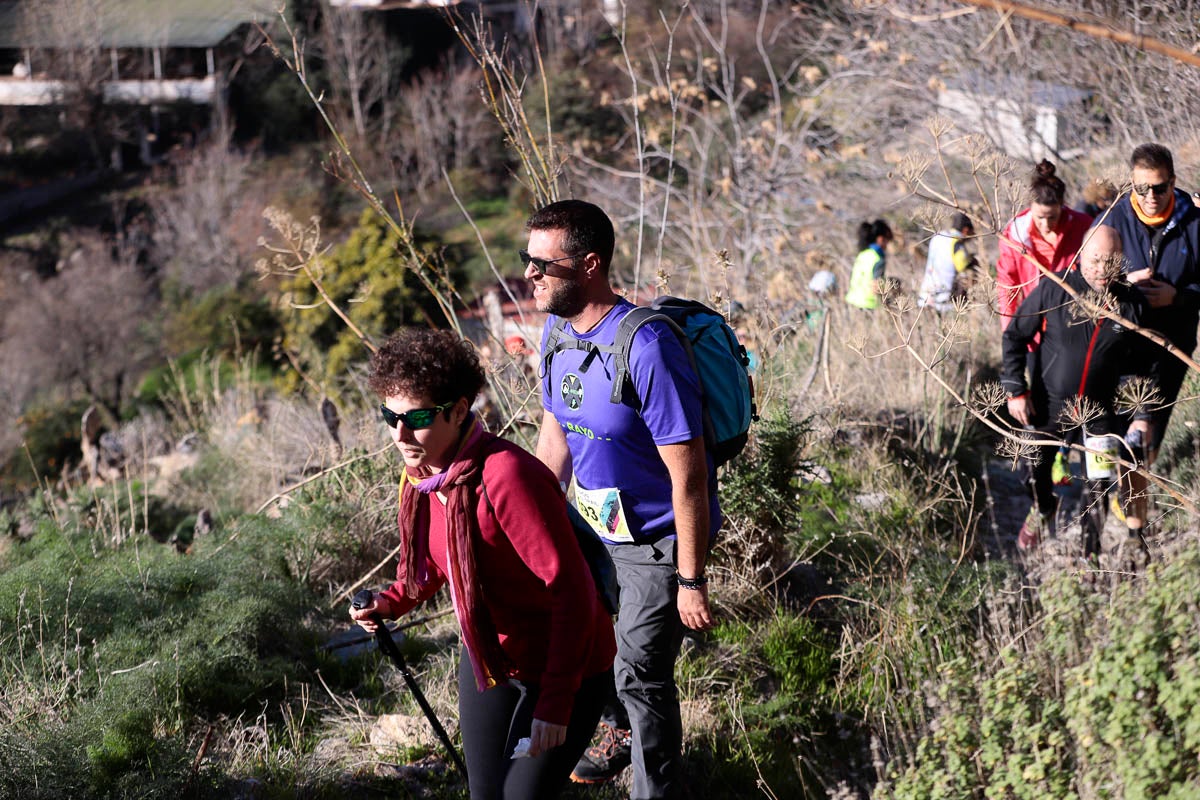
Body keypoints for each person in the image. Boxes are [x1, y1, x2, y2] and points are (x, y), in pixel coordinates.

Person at [349, 328, 616, 800]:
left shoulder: (507, 476)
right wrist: (389, 604)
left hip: (566, 668)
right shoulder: (422, 475)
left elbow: (573, 591)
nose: (399, 433)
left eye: (416, 418)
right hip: (492, 660)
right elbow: (434, 566)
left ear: (458, 410)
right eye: (389, 416)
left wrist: (555, 703)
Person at [523, 199, 718, 799]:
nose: (528, 275)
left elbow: (688, 475)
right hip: (591, 525)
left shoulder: (647, 346)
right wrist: (531, 512)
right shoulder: (558, 332)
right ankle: (613, 728)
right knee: (578, 639)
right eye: (524, 260)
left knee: (641, 674)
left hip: (657, 541)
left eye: (541, 265)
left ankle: (656, 789)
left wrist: (690, 578)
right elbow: (555, 430)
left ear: (589, 264)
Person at [1001, 226, 1155, 554]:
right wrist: (1016, 389)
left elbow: (1142, 366)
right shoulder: (1055, 288)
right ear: (1081, 256)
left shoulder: (1131, 303)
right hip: (1048, 405)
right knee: (1033, 474)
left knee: (1097, 490)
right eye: (1095, 260)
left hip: (1098, 413)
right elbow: (1015, 335)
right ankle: (1043, 509)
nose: (1102, 270)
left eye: (1111, 262)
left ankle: (1090, 555)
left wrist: (1141, 414)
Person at [1103, 142, 1200, 459]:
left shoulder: (1195, 223)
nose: (1150, 197)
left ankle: (1135, 503)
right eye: (1141, 188)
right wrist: (1121, 284)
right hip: (1122, 343)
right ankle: (1116, 502)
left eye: (1158, 188)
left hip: (1171, 346)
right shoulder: (1114, 218)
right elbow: (1085, 278)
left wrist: (1179, 296)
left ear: (1172, 182)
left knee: (1145, 440)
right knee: (1120, 438)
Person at [996, 160, 1093, 329]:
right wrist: (1009, 329)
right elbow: (1007, 284)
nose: (1046, 225)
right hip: (1033, 323)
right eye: (1040, 217)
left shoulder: (1083, 227)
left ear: (1062, 206)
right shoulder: (1015, 233)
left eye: (1052, 217)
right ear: (1030, 208)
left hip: (1073, 323)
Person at [917, 212, 977, 311]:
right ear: (966, 230)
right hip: (944, 299)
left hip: (925, 295)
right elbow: (962, 265)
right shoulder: (956, 242)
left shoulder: (937, 236)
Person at [844, 218, 893, 310]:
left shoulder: (862, 254)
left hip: (852, 301)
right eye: (887, 240)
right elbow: (876, 285)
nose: (887, 245)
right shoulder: (878, 258)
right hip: (868, 305)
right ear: (881, 239)